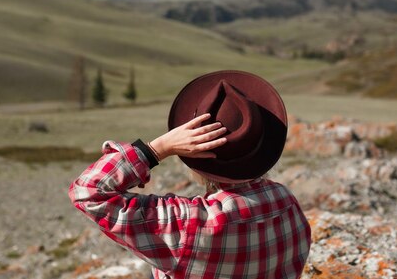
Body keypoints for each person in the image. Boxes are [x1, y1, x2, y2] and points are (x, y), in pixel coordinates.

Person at [69, 70, 311, 278]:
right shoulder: (287, 203)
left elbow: (89, 192)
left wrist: (156, 150)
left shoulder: (185, 224)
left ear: (191, 152)